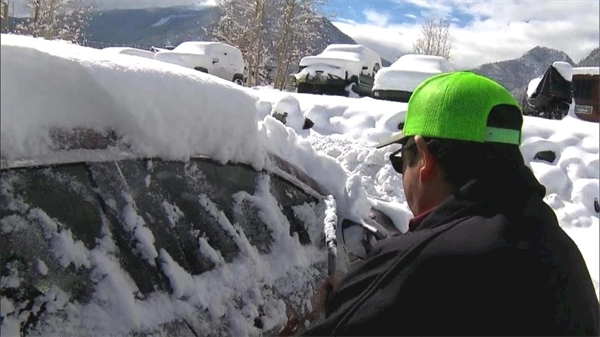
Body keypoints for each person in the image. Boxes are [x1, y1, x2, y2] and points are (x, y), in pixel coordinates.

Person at [296, 72, 600, 337]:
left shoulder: (422, 267)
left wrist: (342, 304)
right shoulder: (556, 244)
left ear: (424, 157)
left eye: (401, 161)